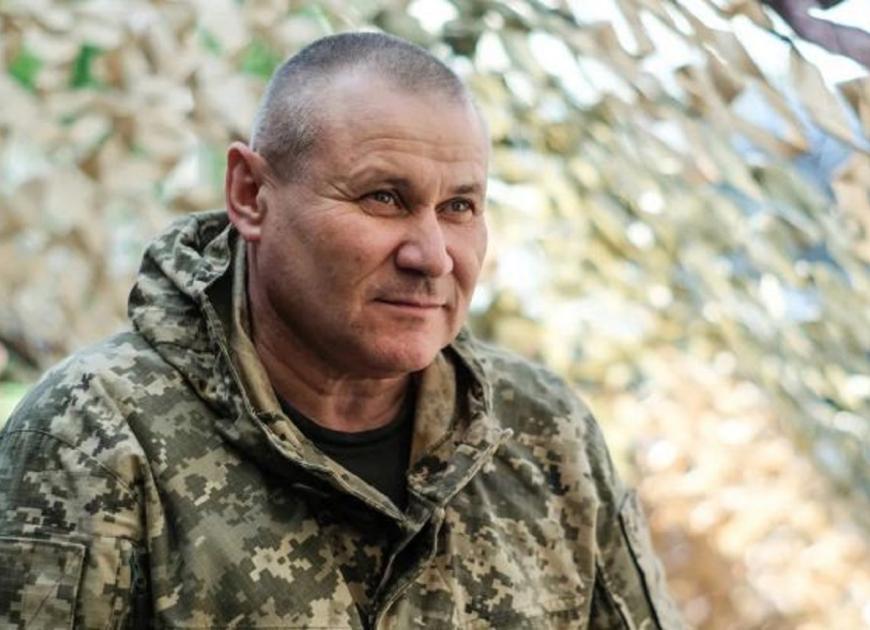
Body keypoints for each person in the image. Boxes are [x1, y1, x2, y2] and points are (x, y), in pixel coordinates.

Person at [0, 32, 683, 629]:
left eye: (459, 207)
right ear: (250, 195)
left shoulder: (543, 431)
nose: (433, 256)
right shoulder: (96, 436)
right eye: (384, 198)